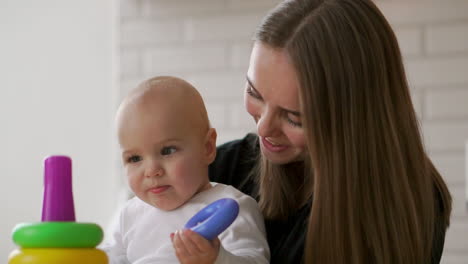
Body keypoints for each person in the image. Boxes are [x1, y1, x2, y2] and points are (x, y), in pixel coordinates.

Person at [209, 0, 452, 263]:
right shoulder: (228, 168)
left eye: (294, 118)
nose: (263, 127)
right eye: (254, 93)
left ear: (353, 116)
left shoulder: (405, 205)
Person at [101, 76, 270, 264]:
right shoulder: (129, 215)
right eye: (134, 158)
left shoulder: (232, 207)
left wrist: (217, 258)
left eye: (167, 151)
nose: (151, 171)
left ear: (207, 148)